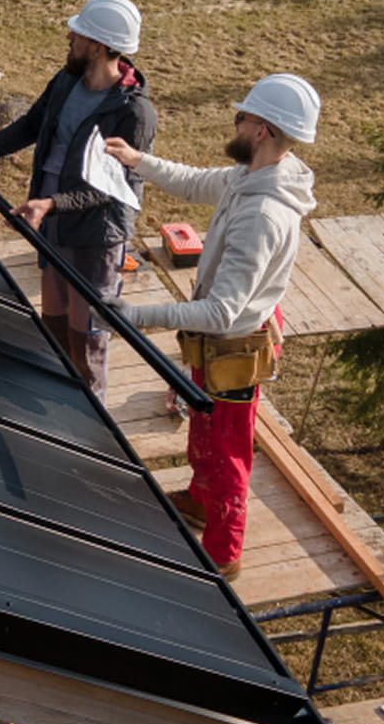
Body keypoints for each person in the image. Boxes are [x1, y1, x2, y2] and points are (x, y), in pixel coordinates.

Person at [102, 73, 320, 578]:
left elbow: (222, 311)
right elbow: (200, 181)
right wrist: (139, 161)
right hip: (220, 343)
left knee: (227, 454)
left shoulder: (264, 214)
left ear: (261, 129)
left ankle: (224, 555)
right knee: (204, 428)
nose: (235, 122)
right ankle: (200, 501)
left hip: (234, 347)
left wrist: (134, 317)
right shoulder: (253, 175)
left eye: (242, 117)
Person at [0, 0, 157, 395]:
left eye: (77, 33)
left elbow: (110, 188)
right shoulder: (67, 82)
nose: (69, 36)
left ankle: (94, 422)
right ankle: (56, 401)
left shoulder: (133, 113)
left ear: (97, 46)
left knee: (89, 338)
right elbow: (33, 124)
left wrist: (51, 204)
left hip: (96, 236)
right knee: (54, 326)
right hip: (51, 224)